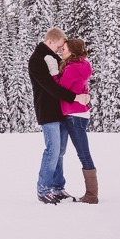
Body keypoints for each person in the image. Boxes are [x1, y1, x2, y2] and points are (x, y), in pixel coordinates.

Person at [28, 28, 90, 205]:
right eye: (59, 46)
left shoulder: (53, 57)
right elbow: (51, 87)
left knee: (60, 152)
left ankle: (57, 187)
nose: (61, 50)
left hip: (60, 111)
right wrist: (75, 97)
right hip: (47, 112)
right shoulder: (37, 60)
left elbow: (67, 81)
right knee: (53, 150)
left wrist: (83, 93)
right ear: (50, 42)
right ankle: (44, 188)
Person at [52, 38, 99, 204]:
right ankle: (91, 194)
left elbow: (60, 88)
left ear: (72, 51)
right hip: (80, 114)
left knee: (84, 154)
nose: (61, 51)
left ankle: (92, 195)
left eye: (64, 49)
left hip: (74, 115)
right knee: (83, 153)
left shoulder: (72, 68)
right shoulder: (83, 65)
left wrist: (53, 75)